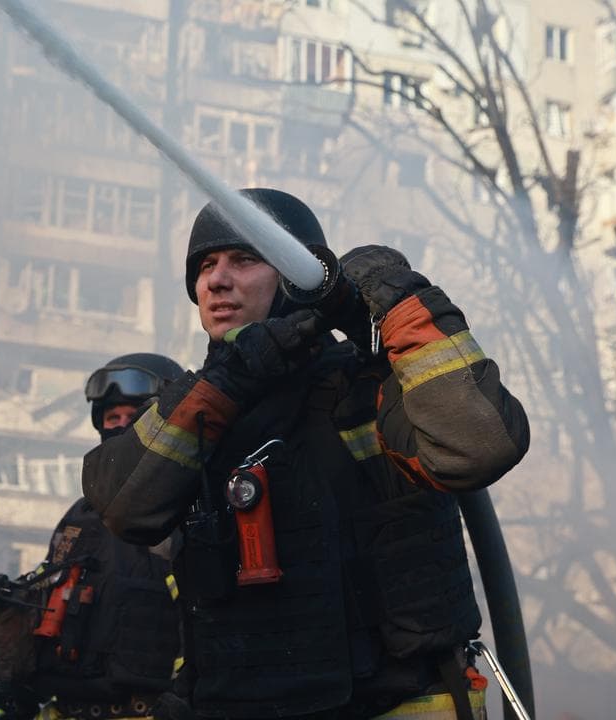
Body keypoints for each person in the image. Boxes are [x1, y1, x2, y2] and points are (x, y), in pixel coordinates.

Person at [81, 189, 530, 720]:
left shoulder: (366, 388)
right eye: (205, 265)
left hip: (391, 703)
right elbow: (124, 507)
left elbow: (478, 446)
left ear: (298, 276)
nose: (217, 280)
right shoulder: (197, 411)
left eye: (245, 258)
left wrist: (397, 298)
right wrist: (230, 379)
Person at [0, 354, 187, 720]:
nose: (121, 428)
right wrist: (13, 693)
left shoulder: (188, 511)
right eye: (112, 419)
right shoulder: (81, 517)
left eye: (134, 419)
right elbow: (53, 608)